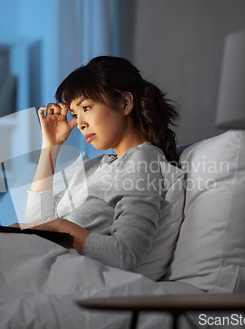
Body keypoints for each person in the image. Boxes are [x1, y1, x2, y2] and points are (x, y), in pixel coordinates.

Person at [15, 56, 183, 280]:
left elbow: (125, 255)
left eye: (86, 107)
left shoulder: (143, 161)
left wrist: (58, 227)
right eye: (75, 114)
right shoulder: (95, 166)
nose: (80, 123)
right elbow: (37, 224)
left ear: (125, 103)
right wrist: (50, 148)